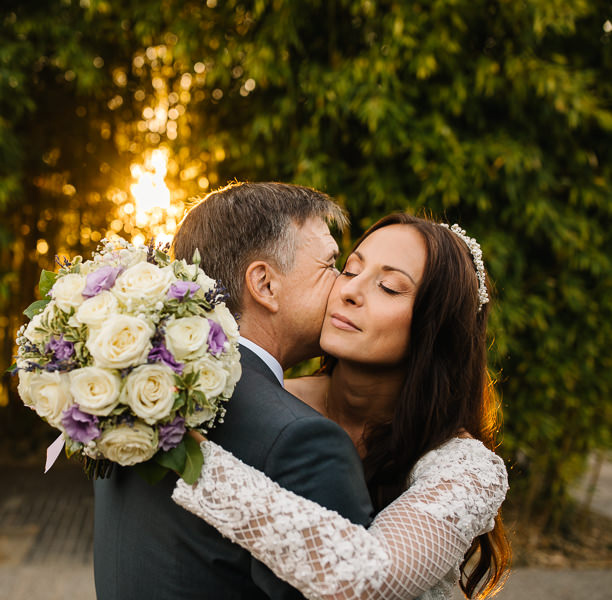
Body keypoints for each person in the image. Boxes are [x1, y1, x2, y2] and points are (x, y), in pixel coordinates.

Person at [172, 213, 511, 600]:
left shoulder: (466, 471)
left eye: (389, 287)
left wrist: (191, 460)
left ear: (438, 329)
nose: (349, 292)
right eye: (349, 271)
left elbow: (368, 581)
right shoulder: (262, 401)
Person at [92, 182, 374, 599]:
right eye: (331, 265)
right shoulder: (303, 442)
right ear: (265, 285)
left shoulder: (129, 396)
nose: (343, 287)